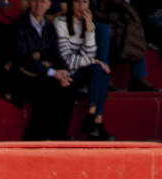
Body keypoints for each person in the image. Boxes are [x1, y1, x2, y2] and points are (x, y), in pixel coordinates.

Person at [11, 0, 74, 140]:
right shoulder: (19, 25)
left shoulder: (49, 28)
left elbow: (57, 55)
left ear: (49, 5)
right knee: (47, 89)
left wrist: (63, 71)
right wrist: (50, 71)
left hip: (44, 74)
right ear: (29, 3)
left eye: (43, 1)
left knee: (68, 88)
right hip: (22, 76)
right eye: (35, 1)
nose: (39, 4)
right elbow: (23, 58)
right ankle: (33, 139)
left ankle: (59, 136)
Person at [53, 0, 113, 139]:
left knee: (102, 69)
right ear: (71, 4)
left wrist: (89, 30)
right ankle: (94, 122)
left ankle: (92, 116)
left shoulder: (89, 24)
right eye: (78, 3)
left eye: (85, 3)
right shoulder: (60, 23)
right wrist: (93, 61)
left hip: (82, 71)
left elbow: (90, 53)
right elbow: (66, 59)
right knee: (100, 66)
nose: (81, 7)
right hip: (66, 73)